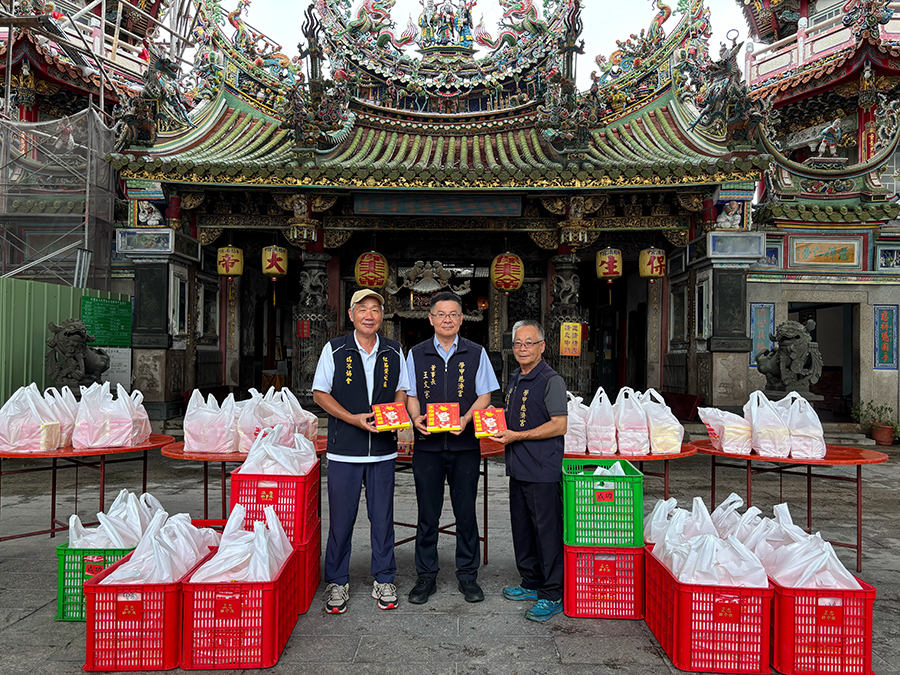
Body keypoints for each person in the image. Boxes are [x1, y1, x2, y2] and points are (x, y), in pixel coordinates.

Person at [312, 289, 410, 614]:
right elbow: (320, 393)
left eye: (375, 309)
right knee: (341, 520)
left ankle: (384, 577)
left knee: (382, 519)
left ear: (382, 316)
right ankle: (337, 580)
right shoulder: (335, 349)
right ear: (351, 314)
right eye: (363, 309)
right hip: (345, 451)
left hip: (382, 451)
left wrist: (397, 417)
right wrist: (352, 418)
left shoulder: (394, 351)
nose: (369, 315)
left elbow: (402, 390)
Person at [405, 291, 499, 604]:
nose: (447, 319)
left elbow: (485, 395)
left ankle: (468, 576)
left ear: (462, 319)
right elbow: (411, 393)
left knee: (466, 512)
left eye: (454, 314)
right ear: (430, 319)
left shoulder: (476, 353)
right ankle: (426, 576)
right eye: (441, 314)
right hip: (428, 447)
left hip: (465, 446)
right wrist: (415, 417)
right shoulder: (416, 353)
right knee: (427, 514)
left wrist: (467, 418)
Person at [492, 319, 567, 622]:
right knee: (523, 529)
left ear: (542, 346)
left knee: (547, 533)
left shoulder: (551, 380)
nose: (523, 348)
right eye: (518, 343)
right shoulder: (515, 377)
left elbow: (559, 425)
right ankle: (532, 582)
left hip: (542, 469)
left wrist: (517, 436)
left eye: (529, 343)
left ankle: (552, 593)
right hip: (518, 467)